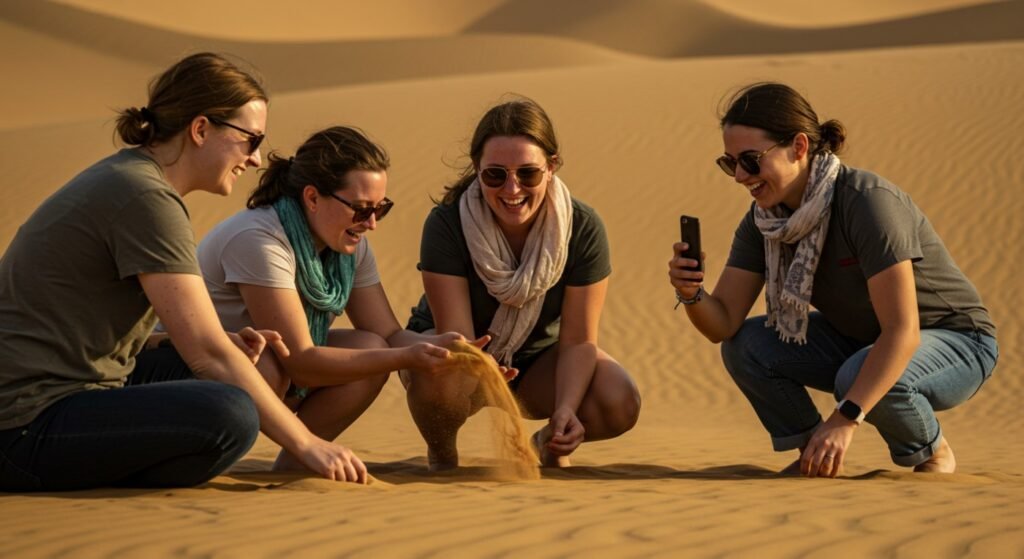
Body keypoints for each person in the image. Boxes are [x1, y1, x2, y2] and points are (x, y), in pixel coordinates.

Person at [0, 52, 366, 491]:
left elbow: (85, 328)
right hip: (24, 422)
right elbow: (207, 353)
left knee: (253, 366)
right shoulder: (144, 197)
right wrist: (308, 443)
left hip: (74, 388)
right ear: (200, 129)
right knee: (230, 414)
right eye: (251, 140)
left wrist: (196, 345)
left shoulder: (132, 179)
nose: (255, 160)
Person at [667, 82, 998, 478]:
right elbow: (722, 324)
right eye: (729, 163)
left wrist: (845, 419)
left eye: (751, 160)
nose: (739, 176)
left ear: (800, 147)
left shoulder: (867, 202)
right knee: (747, 346)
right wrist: (691, 293)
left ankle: (932, 452)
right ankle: (816, 455)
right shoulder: (765, 223)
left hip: (958, 342)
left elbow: (903, 331)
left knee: (856, 375)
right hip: (862, 340)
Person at [194, 125, 465, 471]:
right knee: (270, 364)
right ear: (312, 198)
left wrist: (447, 350)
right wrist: (407, 358)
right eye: (361, 209)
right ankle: (201, 461)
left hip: (276, 372)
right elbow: (301, 362)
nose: (371, 224)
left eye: (380, 209)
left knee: (371, 347)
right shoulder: (260, 240)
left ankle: (294, 466)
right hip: (201, 378)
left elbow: (388, 335)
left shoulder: (349, 246)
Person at [404, 97, 641, 470]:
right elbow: (457, 334)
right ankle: (442, 454)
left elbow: (579, 339)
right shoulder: (448, 223)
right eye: (495, 174)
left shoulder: (582, 227)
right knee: (442, 370)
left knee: (619, 398)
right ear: (477, 169)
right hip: (463, 354)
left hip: (537, 363)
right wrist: (482, 368)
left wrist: (565, 409)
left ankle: (546, 444)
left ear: (552, 167)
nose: (512, 189)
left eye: (527, 174)